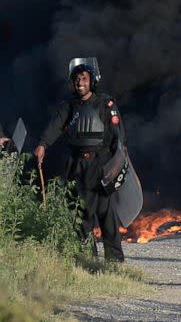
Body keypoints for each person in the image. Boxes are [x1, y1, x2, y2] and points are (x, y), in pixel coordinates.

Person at [33, 57, 126, 261]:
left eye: (83, 78)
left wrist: (117, 159)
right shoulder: (68, 106)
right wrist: (42, 144)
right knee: (80, 213)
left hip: (101, 163)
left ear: (92, 80)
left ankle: (115, 262)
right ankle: (87, 259)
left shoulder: (105, 103)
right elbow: (55, 126)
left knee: (106, 214)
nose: (79, 82)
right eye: (76, 79)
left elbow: (117, 134)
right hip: (76, 165)